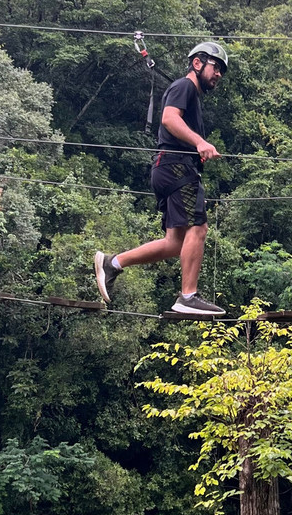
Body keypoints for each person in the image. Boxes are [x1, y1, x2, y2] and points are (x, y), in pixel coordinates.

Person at [94, 42, 228, 316]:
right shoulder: (185, 86)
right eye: (216, 67)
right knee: (198, 229)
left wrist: (197, 149)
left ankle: (113, 263)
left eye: (222, 71)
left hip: (169, 168)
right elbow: (168, 119)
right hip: (176, 168)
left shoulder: (191, 94)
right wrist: (199, 142)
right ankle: (188, 296)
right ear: (198, 63)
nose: (219, 75)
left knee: (175, 243)